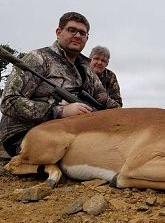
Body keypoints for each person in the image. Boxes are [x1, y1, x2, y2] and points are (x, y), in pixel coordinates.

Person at [0, 12, 120, 157]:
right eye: (71, 30)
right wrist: (59, 112)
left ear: (87, 38)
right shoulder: (38, 58)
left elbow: (106, 102)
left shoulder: (86, 68)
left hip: (71, 131)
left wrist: (127, 119)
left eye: (82, 33)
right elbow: (8, 102)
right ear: (58, 32)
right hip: (25, 135)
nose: (77, 35)